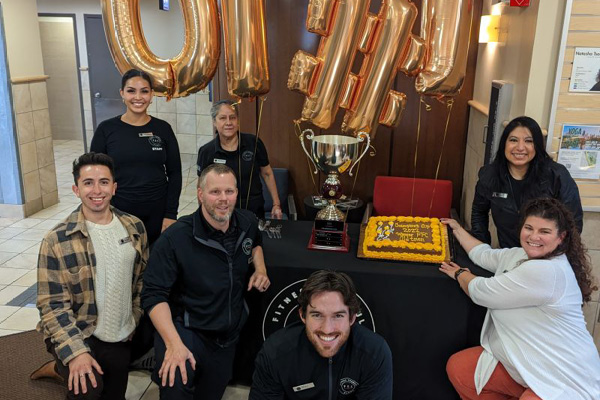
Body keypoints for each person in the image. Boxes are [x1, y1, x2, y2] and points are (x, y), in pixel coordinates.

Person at [440, 198, 600, 400]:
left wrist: (460, 274)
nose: (534, 236)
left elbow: (481, 291)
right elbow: (483, 254)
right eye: (529, 228)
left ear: (561, 237)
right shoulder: (518, 255)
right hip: (527, 364)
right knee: (461, 370)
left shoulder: (548, 271)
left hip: (563, 376)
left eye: (544, 232)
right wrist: (457, 229)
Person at [141, 163, 270, 400]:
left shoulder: (247, 222)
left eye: (229, 192)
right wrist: (173, 344)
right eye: (215, 192)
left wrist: (260, 268)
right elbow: (152, 294)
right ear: (200, 194)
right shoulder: (174, 239)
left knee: (211, 394)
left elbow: (256, 241)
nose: (223, 199)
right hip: (186, 330)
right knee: (176, 385)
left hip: (226, 335)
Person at [35, 152, 148, 399]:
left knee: (114, 394)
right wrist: (76, 353)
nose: (97, 190)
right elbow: (51, 306)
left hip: (118, 334)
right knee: (89, 390)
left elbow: (141, 282)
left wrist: (134, 317)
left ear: (114, 187)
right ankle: (63, 362)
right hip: (78, 331)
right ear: (76, 189)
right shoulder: (56, 240)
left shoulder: (135, 228)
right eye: (88, 183)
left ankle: (58, 368)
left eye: (104, 182)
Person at [250, 270, 393, 399]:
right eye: (317, 315)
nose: (327, 329)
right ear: (303, 315)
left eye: (338, 316)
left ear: (352, 318)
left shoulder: (374, 352)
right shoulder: (275, 352)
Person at [91, 68, 182, 246]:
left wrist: (170, 214)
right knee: (124, 266)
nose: (138, 97)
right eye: (131, 91)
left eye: (144, 91)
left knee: (155, 266)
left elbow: (175, 172)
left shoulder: (163, 129)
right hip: (119, 212)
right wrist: (101, 211)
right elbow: (94, 175)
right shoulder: (106, 129)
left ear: (152, 94)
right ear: (122, 94)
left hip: (157, 211)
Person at [471, 116, 583, 248]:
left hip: (545, 257)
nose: (520, 147)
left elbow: (573, 223)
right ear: (504, 144)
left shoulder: (556, 175)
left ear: (537, 146)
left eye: (528, 141)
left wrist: (553, 257)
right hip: (508, 254)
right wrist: (482, 250)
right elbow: (479, 212)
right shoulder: (489, 175)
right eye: (513, 140)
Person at [196, 99, 282, 219]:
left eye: (232, 117)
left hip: (253, 209)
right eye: (222, 118)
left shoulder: (254, 143)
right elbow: (201, 185)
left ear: (238, 121)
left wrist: (276, 204)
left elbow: (267, 174)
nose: (228, 122)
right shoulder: (206, 151)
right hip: (221, 211)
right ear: (214, 122)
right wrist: (202, 214)